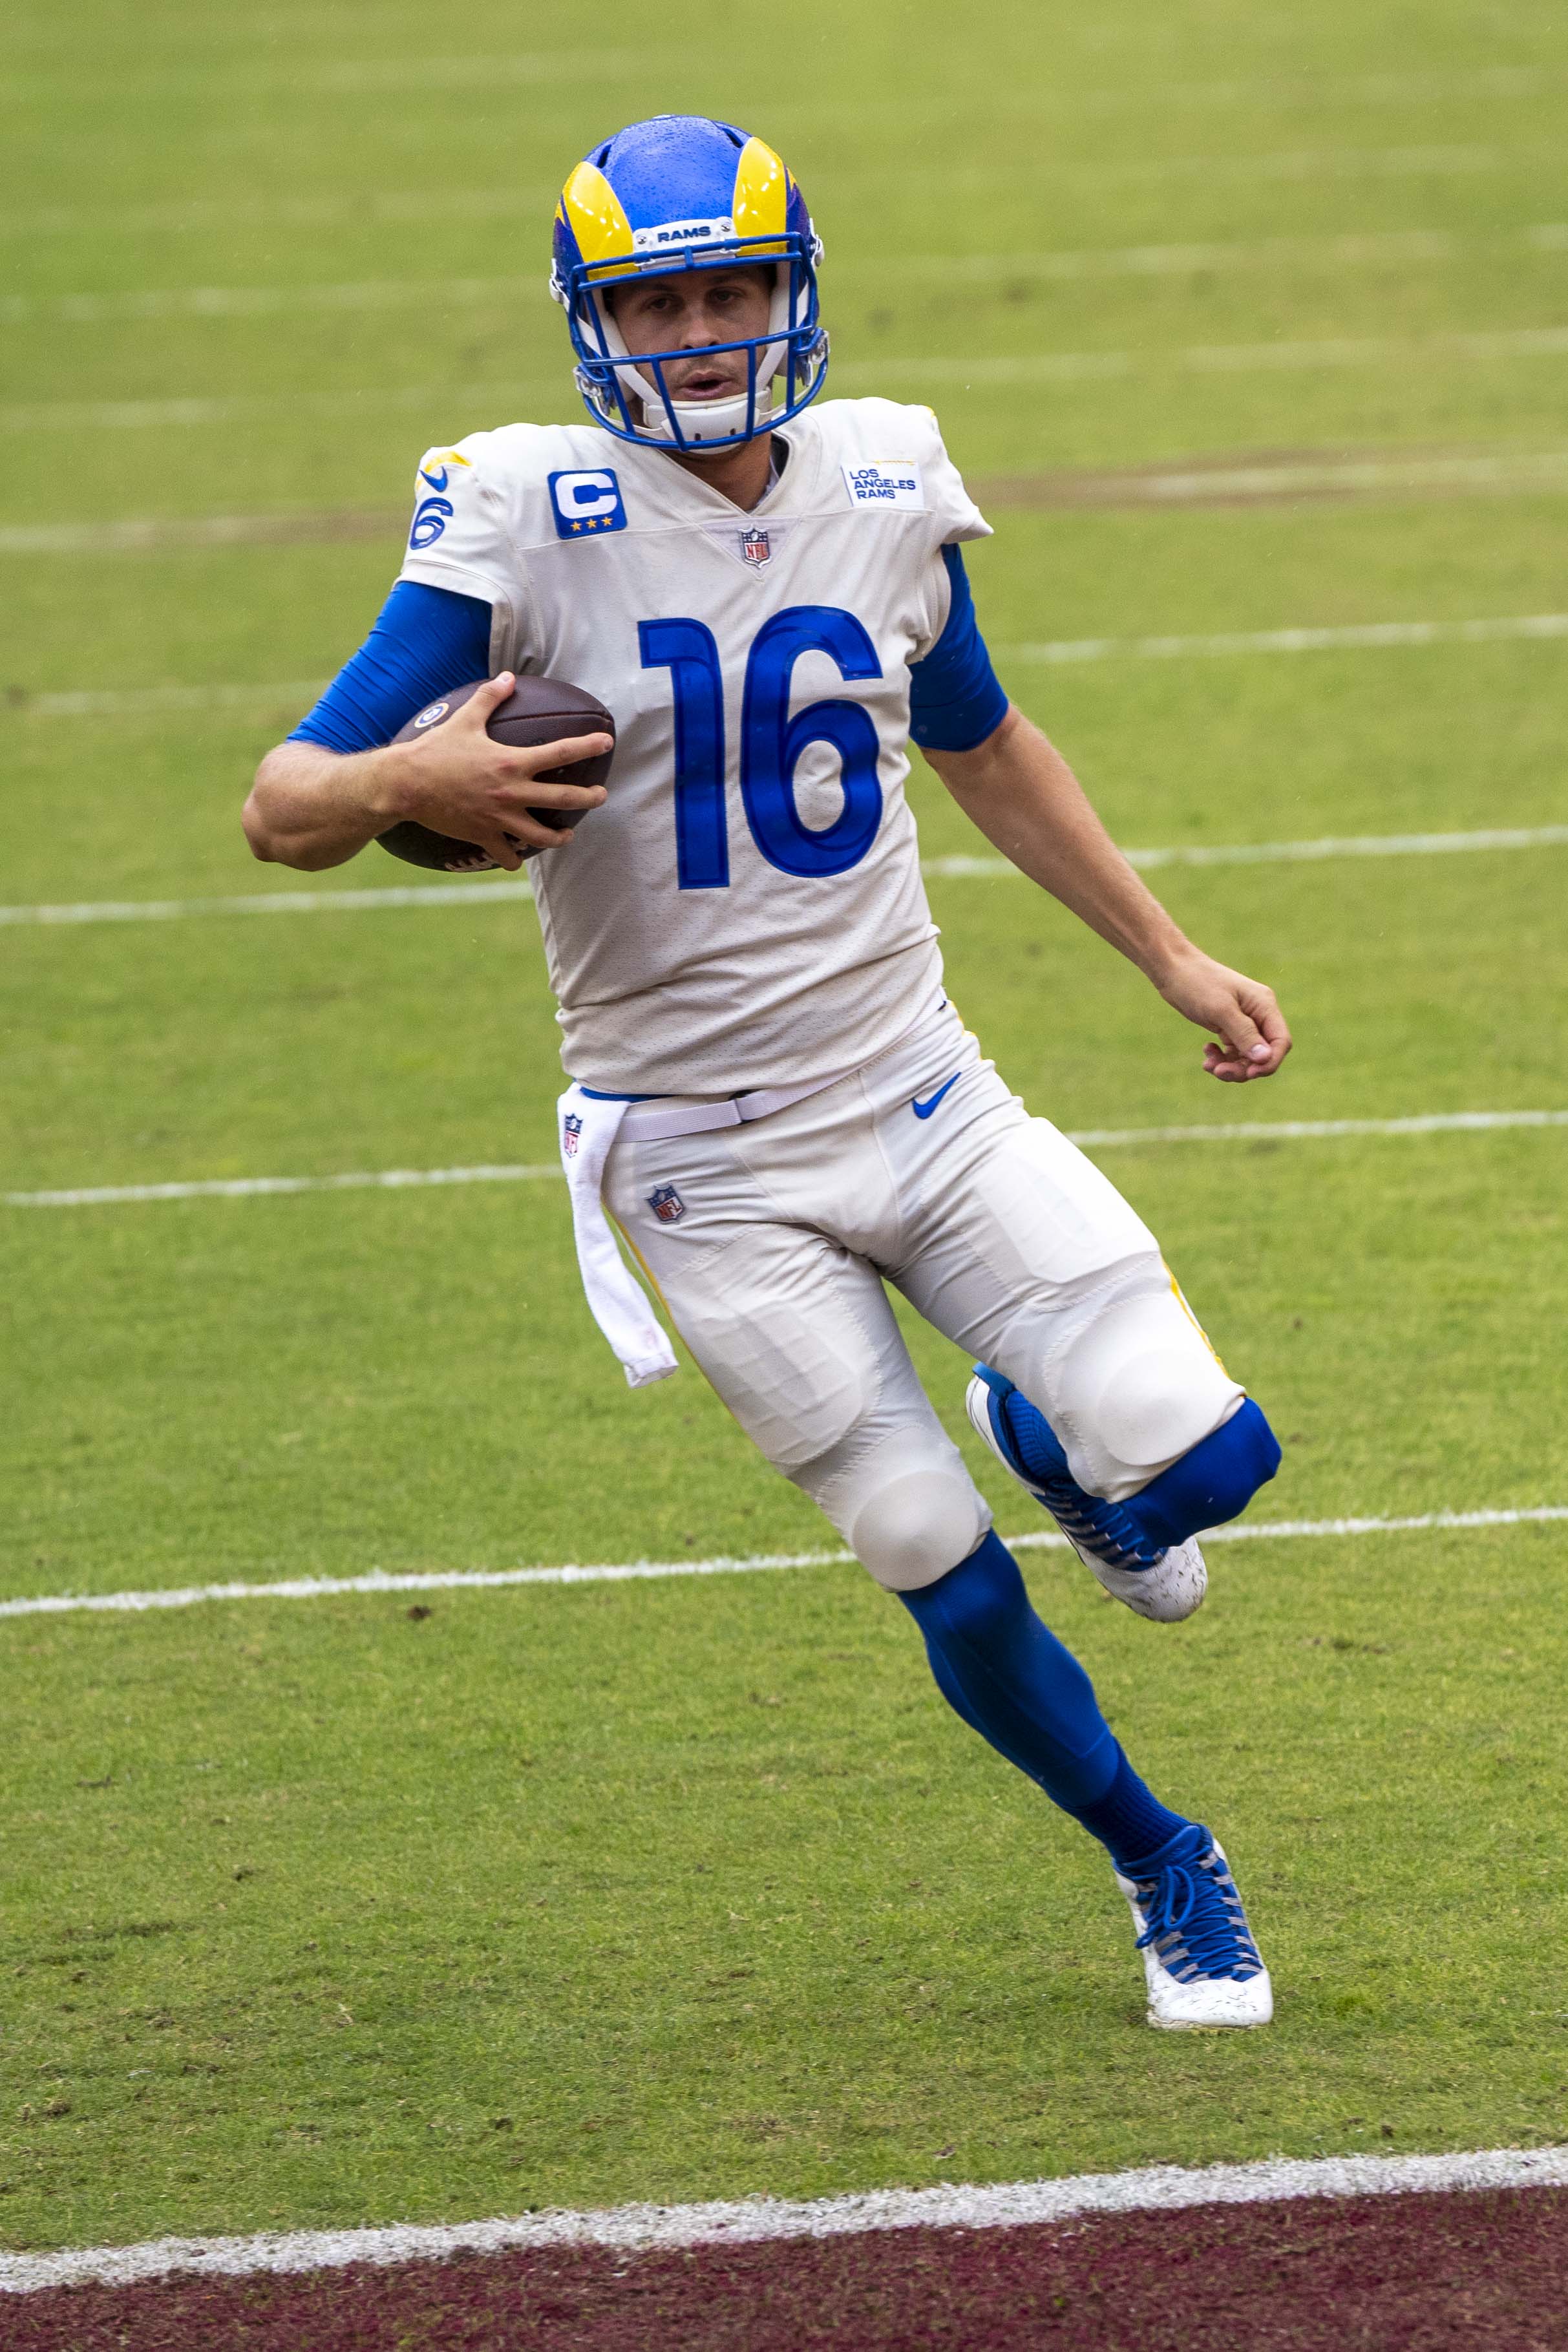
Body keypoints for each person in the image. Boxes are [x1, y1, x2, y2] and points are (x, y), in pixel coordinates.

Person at [244, 114, 1292, 2030]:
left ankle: (1062, 1451)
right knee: (920, 1554)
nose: (702, 330)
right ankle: (1162, 1861)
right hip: (699, 1159)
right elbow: (284, 803)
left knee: (1214, 1455)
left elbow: (978, 742)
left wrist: (1169, 951)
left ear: (790, 289)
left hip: (919, 1087)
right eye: (657, 297)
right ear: (592, 319)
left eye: (730, 286)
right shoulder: (516, 513)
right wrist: (413, 778)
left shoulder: (883, 472)